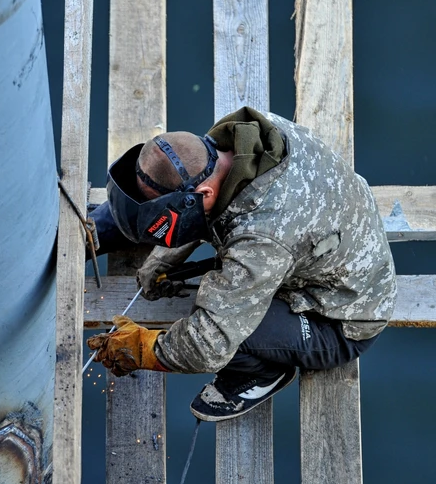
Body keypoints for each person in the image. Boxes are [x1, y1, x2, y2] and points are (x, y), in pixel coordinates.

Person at [86, 106, 397, 422]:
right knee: (226, 282)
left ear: (204, 193)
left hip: (339, 318)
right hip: (316, 240)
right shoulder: (236, 139)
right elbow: (214, 210)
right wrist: (167, 257)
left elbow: (205, 345)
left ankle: (260, 376)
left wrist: (142, 347)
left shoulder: (261, 237)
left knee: (226, 326)